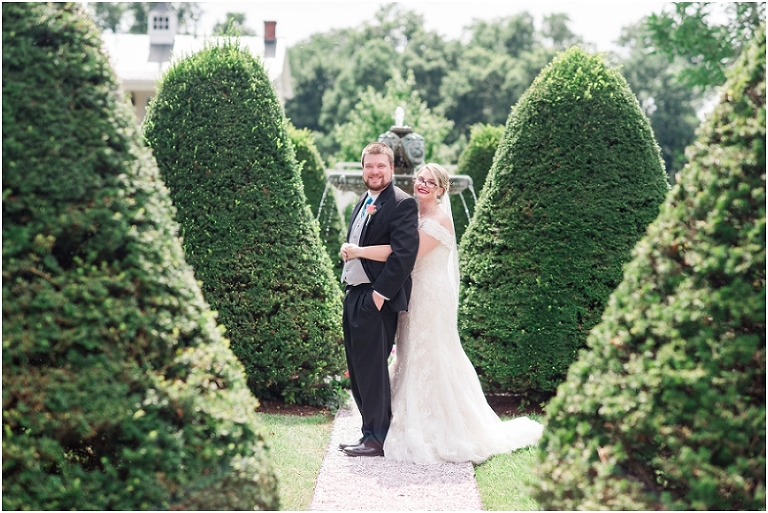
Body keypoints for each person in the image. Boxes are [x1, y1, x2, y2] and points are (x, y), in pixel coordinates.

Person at [341, 163, 544, 464]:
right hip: (411, 294)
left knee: (432, 354)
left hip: (431, 296)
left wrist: (358, 251)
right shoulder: (413, 214)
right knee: (408, 353)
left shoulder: (439, 219)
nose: (422, 184)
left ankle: (438, 424)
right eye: (420, 179)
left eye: (430, 182)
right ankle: (391, 421)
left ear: (440, 189)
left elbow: (403, 253)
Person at [338, 142, 419, 457]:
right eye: (369, 166)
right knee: (358, 368)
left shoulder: (402, 203)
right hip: (354, 292)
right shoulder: (363, 200)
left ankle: (376, 438)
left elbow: (403, 256)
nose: (374, 171)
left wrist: (378, 296)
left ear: (391, 168)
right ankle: (367, 432)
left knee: (372, 369)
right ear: (363, 169)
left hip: (375, 297)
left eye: (380, 166)